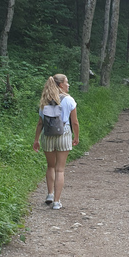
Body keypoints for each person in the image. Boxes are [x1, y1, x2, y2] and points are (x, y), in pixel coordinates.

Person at [33, 74, 79, 210]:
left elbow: (40, 123)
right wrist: (76, 136)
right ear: (61, 85)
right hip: (64, 133)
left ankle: (50, 194)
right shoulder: (69, 100)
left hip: (47, 135)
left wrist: (36, 140)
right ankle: (57, 202)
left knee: (50, 166)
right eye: (67, 82)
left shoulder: (45, 100)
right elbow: (74, 122)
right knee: (60, 169)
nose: (68, 85)